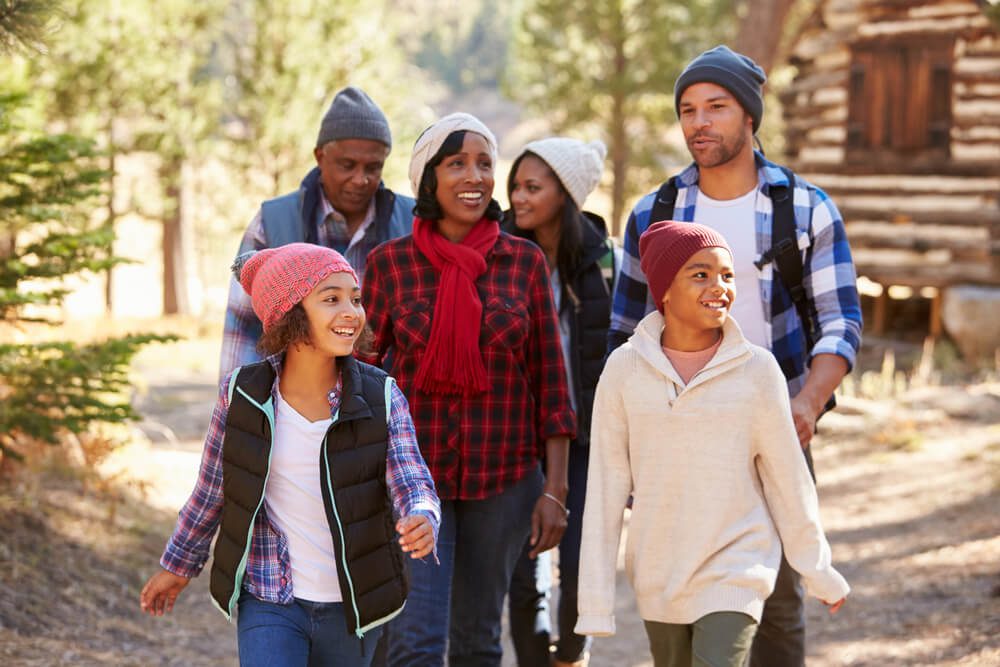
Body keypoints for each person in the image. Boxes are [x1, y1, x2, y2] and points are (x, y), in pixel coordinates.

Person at [607, 45, 863, 666]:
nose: (700, 122)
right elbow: (624, 335)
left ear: (750, 117)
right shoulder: (654, 213)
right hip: (676, 433)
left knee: (776, 602)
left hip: (773, 423)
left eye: (716, 107)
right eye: (688, 110)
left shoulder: (804, 209)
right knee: (678, 599)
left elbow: (841, 324)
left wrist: (805, 401)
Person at [140, 243, 440, 667]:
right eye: (331, 299)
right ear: (290, 315)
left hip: (355, 603)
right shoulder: (241, 394)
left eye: (355, 298)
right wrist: (179, 565)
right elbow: (211, 491)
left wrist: (422, 515)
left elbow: (412, 479)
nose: (352, 311)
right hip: (270, 597)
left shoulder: (382, 395)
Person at [578, 220, 849, 666]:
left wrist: (817, 570)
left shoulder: (757, 371)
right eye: (700, 274)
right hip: (658, 570)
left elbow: (788, 478)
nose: (719, 286)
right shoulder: (623, 371)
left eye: (726, 275)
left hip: (737, 564)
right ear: (664, 290)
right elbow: (607, 485)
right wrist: (594, 600)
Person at [361, 113, 576, 666]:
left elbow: (552, 384)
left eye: (484, 162)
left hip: (503, 483)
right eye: (457, 163)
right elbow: (359, 377)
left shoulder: (522, 263)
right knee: (415, 642)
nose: (474, 175)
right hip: (413, 482)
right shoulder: (389, 266)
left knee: (479, 641)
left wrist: (554, 490)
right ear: (428, 179)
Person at [503, 137, 612, 667]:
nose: (517, 198)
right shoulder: (497, 253)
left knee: (580, 565)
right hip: (518, 439)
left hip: (587, 436)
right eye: (515, 186)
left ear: (565, 194)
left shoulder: (601, 261)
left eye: (532, 188)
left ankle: (570, 656)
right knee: (525, 575)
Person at [220, 86, 414, 380]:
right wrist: (240, 411)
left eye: (373, 168)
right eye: (347, 165)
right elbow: (243, 328)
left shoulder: (412, 223)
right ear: (320, 156)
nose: (360, 179)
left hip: (384, 409)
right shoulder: (273, 223)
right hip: (291, 407)